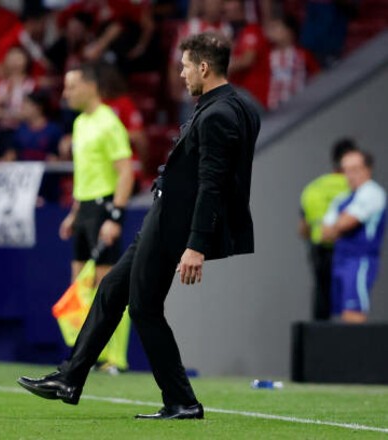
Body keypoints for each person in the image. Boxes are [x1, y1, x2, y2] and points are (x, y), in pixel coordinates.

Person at [18, 32, 260, 420]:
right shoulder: (237, 106)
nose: (180, 74)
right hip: (165, 218)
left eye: (185, 66)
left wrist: (196, 244)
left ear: (203, 67)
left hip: (174, 224)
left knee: (144, 307)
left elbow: (212, 184)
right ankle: (70, 378)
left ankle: (181, 400)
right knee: (112, 288)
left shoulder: (219, 114)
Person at [57, 63, 135, 373]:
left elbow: (126, 172)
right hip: (85, 209)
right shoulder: (79, 123)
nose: (66, 93)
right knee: (80, 286)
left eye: (72, 86)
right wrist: (74, 213)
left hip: (104, 208)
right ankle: (88, 354)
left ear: (90, 86)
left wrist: (115, 217)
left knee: (107, 288)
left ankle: (115, 359)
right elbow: (84, 172)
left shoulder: (109, 122)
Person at [322, 150, 386, 323]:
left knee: (353, 313)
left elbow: (346, 223)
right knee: (340, 315)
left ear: (367, 169)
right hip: (340, 260)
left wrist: (338, 225)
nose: (350, 175)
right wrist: (338, 226)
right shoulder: (342, 198)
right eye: (346, 170)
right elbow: (325, 233)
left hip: (359, 261)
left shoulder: (372, 193)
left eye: (355, 169)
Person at [298, 138, 357, 321]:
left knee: (321, 296)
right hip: (349, 251)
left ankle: (319, 336)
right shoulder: (359, 190)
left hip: (320, 252)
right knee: (352, 300)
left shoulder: (313, 188)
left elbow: (303, 229)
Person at [266, 15, 319, 111]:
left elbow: (318, 76)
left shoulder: (302, 54)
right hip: (273, 109)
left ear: (289, 31)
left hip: (300, 106)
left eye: (276, 27)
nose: (271, 32)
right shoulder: (268, 56)